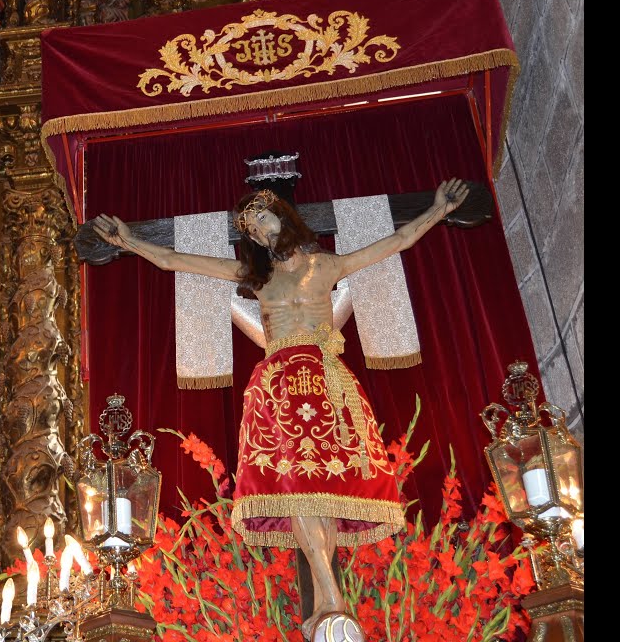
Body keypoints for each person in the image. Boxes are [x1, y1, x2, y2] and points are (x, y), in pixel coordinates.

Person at [91, 178, 468, 640]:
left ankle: (330, 604)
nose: (254, 231)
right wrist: (129, 240)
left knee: (324, 492)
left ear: (282, 216)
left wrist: (437, 211)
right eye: (247, 228)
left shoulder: (326, 264)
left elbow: (398, 241)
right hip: (281, 387)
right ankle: (333, 602)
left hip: (326, 379)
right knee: (297, 491)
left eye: (259, 218)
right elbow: (174, 260)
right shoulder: (257, 277)